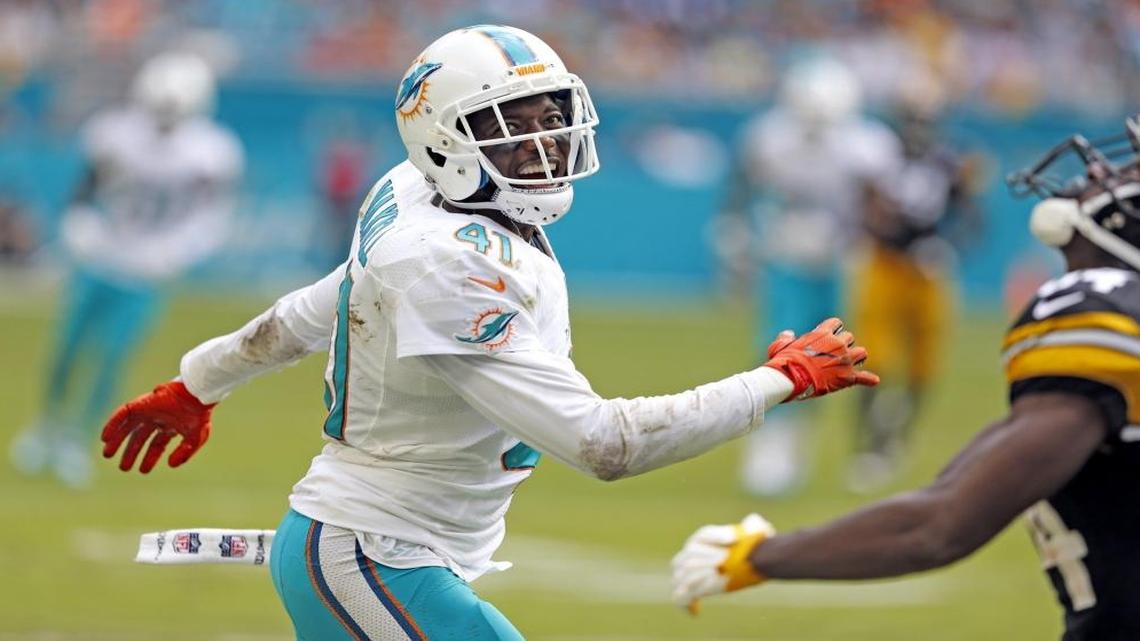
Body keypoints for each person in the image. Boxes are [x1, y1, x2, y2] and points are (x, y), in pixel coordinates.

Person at [99, 26, 878, 641]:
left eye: (551, 117)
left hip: (383, 551)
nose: (545, 142)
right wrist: (778, 379)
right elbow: (603, 442)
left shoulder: (419, 197)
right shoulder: (444, 262)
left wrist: (200, 380)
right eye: (511, 126)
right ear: (443, 141)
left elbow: (321, 304)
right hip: (372, 553)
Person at [672, 115, 1140, 640]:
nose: (1102, 174)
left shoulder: (1110, 311)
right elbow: (962, 483)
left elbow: (939, 527)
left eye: (1130, 172)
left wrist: (760, 557)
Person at [8, 51, 243, 488]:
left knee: (112, 358)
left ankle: (77, 439)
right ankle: (46, 426)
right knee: (66, 349)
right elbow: (84, 189)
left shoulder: (212, 153)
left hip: (145, 273)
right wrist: (82, 225)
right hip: (102, 257)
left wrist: (176, 251)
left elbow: (211, 219)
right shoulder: (113, 133)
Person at [718, 55, 903, 495]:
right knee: (782, 345)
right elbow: (741, 191)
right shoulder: (769, 138)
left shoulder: (868, 145)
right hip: (788, 250)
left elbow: (883, 206)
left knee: (860, 353)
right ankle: (776, 443)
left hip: (849, 256)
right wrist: (737, 238)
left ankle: (873, 444)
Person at [847, 86, 983, 492]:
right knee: (872, 356)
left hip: (928, 271)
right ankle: (870, 444)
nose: (918, 129)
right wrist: (892, 238)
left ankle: (899, 437)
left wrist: (945, 245)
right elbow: (863, 211)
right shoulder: (879, 159)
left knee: (924, 364)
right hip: (885, 265)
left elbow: (972, 218)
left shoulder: (950, 164)